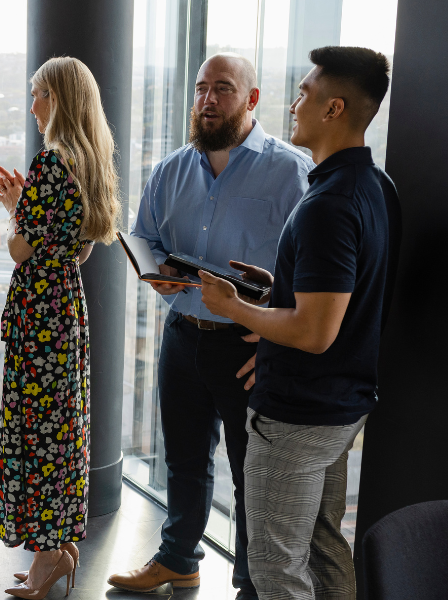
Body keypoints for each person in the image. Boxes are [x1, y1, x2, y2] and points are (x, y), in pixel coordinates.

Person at [108, 54, 313, 600]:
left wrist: (273, 337)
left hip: (247, 346)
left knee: (252, 475)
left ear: (251, 99)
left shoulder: (292, 171)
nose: (207, 100)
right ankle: (179, 560)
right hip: (182, 337)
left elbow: (309, 270)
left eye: (223, 88)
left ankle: (250, 584)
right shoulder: (172, 168)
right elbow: (145, 237)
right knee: (182, 459)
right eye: (201, 88)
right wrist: (157, 272)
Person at [198, 46, 399, 600]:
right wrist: (277, 286)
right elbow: (344, 299)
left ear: (334, 108)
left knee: (275, 569)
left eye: (305, 93)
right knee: (323, 546)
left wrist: (232, 305)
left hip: (298, 416)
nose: (294, 103)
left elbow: (315, 332)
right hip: (342, 406)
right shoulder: (376, 188)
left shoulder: (328, 204)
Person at [0, 56, 119, 600]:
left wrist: (17, 209)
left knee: (37, 433)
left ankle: (45, 561)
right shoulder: (90, 162)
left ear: (57, 98)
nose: (32, 104)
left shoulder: (50, 163)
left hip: (40, 317)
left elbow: (21, 250)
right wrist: (27, 208)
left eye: (38, 93)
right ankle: (60, 547)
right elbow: (77, 250)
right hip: (66, 310)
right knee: (63, 429)